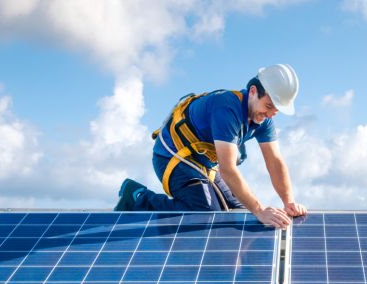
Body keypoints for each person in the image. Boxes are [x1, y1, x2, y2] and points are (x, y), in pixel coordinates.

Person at [115, 64, 307, 228]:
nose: (271, 113)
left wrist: (288, 201)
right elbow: (228, 169)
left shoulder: (264, 118)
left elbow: (274, 161)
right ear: (254, 92)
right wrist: (259, 209)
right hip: (172, 156)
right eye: (269, 106)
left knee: (238, 212)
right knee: (205, 215)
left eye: (276, 110)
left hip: (204, 164)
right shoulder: (227, 109)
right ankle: (138, 196)